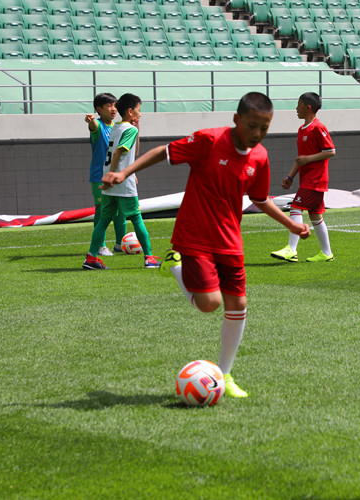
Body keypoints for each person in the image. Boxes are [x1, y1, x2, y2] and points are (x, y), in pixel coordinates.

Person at [101, 92, 310, 398]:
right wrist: (123, 172)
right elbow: (163, 152)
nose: (257, 134)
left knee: (238, 305)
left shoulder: (260, 157)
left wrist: (290, 224)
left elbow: (260, 198)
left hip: (230, 240)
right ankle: (175, 266)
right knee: (210, 304)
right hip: (195, 236)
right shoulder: (209, 141)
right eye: (252, 126)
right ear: (236, 119)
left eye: (264, 128)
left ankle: (224, 375)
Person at [83, 93, 160, 270]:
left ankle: (92, 258)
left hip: (110, 181)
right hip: (122, 181)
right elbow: (118, 152)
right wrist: (113, 174)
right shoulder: (129, 130)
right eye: (139, 110)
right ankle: (149, 258)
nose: (140, 114)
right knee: (137, 218)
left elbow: (133, 151)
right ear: (130, 111)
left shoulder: (116, 127)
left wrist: (109, 175)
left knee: (104, 220)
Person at [270, 92, 336, 263]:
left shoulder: (318, 127)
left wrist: (308, 159)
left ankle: (291, 250)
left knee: (295, 207)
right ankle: (326, 253)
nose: (296, 108)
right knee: (315, 216)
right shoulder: (302, 130)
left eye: (299, 105)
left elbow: (330, 151)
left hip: (316, 179)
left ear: (308, 108)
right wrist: (290, 176)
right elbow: (301, 158)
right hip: (308, 179)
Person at [85, 93, 127, 257]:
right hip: (100, 177)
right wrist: (91, 121)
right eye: (109, 105)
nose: (113, 109)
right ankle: (100, 246)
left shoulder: (118, 127)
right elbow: (93, 126)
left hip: (117, 175)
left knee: (121, 211)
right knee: (102, 210)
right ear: (99, 109)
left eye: (115, 105)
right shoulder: (99, 126)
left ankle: (121, 243)